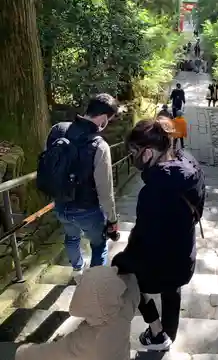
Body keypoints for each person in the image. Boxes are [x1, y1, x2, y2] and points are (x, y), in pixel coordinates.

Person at [112, 118, 206, 351]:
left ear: (149, 151)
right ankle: (168, 334)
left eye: (135, 151)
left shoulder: (154, 191)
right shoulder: (189, 163)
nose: (133, 156)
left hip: (163, 262)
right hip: (184, 254)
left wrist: (124, 259)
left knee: (123, 270)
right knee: (172, 287)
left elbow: (145, 237)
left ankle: (157, 331)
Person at [39, 94, 119, 275]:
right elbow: (105, 191)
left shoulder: (57, 130)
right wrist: (112, 219)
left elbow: (48, 163)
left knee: (71, 237)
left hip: (60, 204)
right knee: (99, 245)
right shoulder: (100, 145)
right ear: (104, 118)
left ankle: (77, 269)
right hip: (87, 209)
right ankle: (94, 284)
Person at [15, 266, 140, 360]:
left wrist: (22, 351)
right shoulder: (123, 309)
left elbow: (49, 353)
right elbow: (132, 286)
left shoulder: (84, 341)